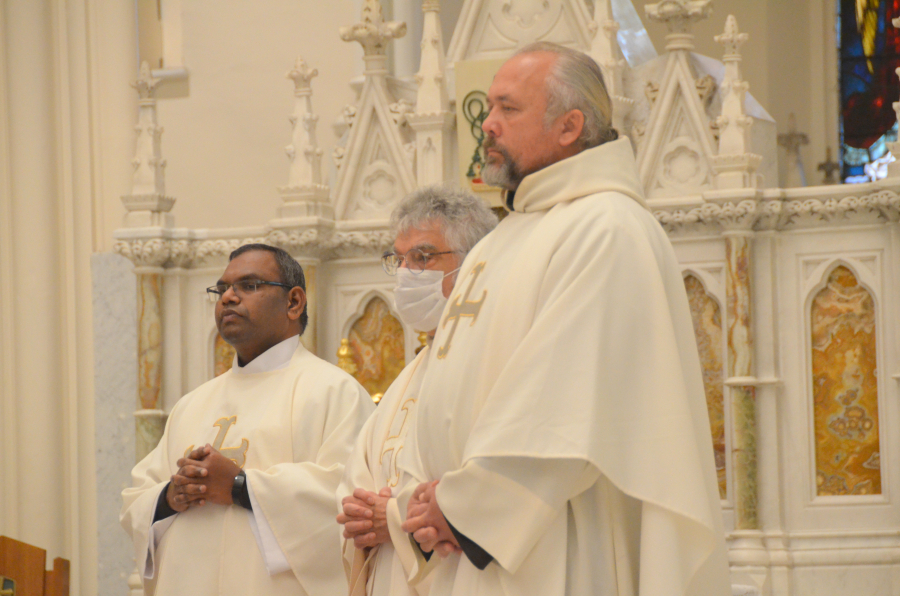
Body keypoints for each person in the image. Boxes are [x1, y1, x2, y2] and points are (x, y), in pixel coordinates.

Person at [398, 42, 732, 596]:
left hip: (555, 540)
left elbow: (563, 403)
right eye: (487, 107)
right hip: (463, 543)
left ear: (570, 126)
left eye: (508, 108)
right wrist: (425, 498)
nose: (488, 124)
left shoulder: (606, 227)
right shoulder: (501, 239)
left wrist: (462, 506)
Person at [121, 244, 374, 596]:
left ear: (293, 302)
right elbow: (136, 501)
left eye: (249, 285)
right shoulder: (192, 405)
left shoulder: (335, 392)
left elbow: (348, 504)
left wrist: (241, 487)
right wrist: (170, 496)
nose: (229, 298)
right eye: (222, 289)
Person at [336, 186, 498, 596]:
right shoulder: (409, 376)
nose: (407, 271)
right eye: (399, 258)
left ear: (475, 265)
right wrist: (357, 511)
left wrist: (392, 517)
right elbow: (360, 474)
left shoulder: (493, 358)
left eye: (423, 257)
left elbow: (496, 481)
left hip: (461, 575)